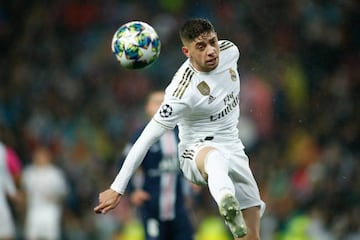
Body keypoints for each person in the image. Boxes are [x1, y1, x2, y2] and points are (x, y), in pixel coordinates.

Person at [94, 18, 265, 240]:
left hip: (234, 148)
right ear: (187, 51)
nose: (211, 51)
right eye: (201, 47)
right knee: (215, 159)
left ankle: (230, 204)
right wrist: (117, 188)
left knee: (251, 236)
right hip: (195, 152)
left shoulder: (230, 51)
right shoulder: (181, 92)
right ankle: (225, 200)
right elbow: (144, 140)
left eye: (212, 41)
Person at [120, 90, 194, 240]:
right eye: (156, 102)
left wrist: (196, 183)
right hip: (152, 207)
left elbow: (194, 159)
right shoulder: (142, 134)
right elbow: (124, 162)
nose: (161, 106)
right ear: (147, 108)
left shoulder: (182, 133)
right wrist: (132, 191)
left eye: (164, 102)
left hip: (179, 207)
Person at [21, 146, 68, 240]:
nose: (40, 157)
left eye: (42, 155)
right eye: (37, 155)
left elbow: (63, 193)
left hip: (50, 211)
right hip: (34, 210)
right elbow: (24, 193)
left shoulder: (55, 173)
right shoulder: (28, 173)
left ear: (48, 157)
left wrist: (54, 198)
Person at [0, 142, 20, 240]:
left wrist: (12, 191)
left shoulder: (3, 150)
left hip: (1, 201)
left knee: (5, 234)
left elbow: (7, 172)